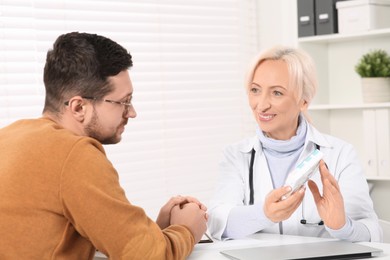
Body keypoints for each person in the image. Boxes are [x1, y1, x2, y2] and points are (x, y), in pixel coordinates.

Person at [0, 32, 207, 259]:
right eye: (123, 102)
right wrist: (188, 228)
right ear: (79, 108)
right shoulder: (74, 154)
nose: (132, 112)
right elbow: (150, 257)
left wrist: (154, 232)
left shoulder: (9, 137)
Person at [207, 46, 382, 243]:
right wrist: (264, 213)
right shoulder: (236, 155)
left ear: (304, 101)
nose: (261, 104)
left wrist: (342, 226)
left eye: (277, 93)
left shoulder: (340, 154)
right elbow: (217, 224)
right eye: (255, 90)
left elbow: (372, 231)